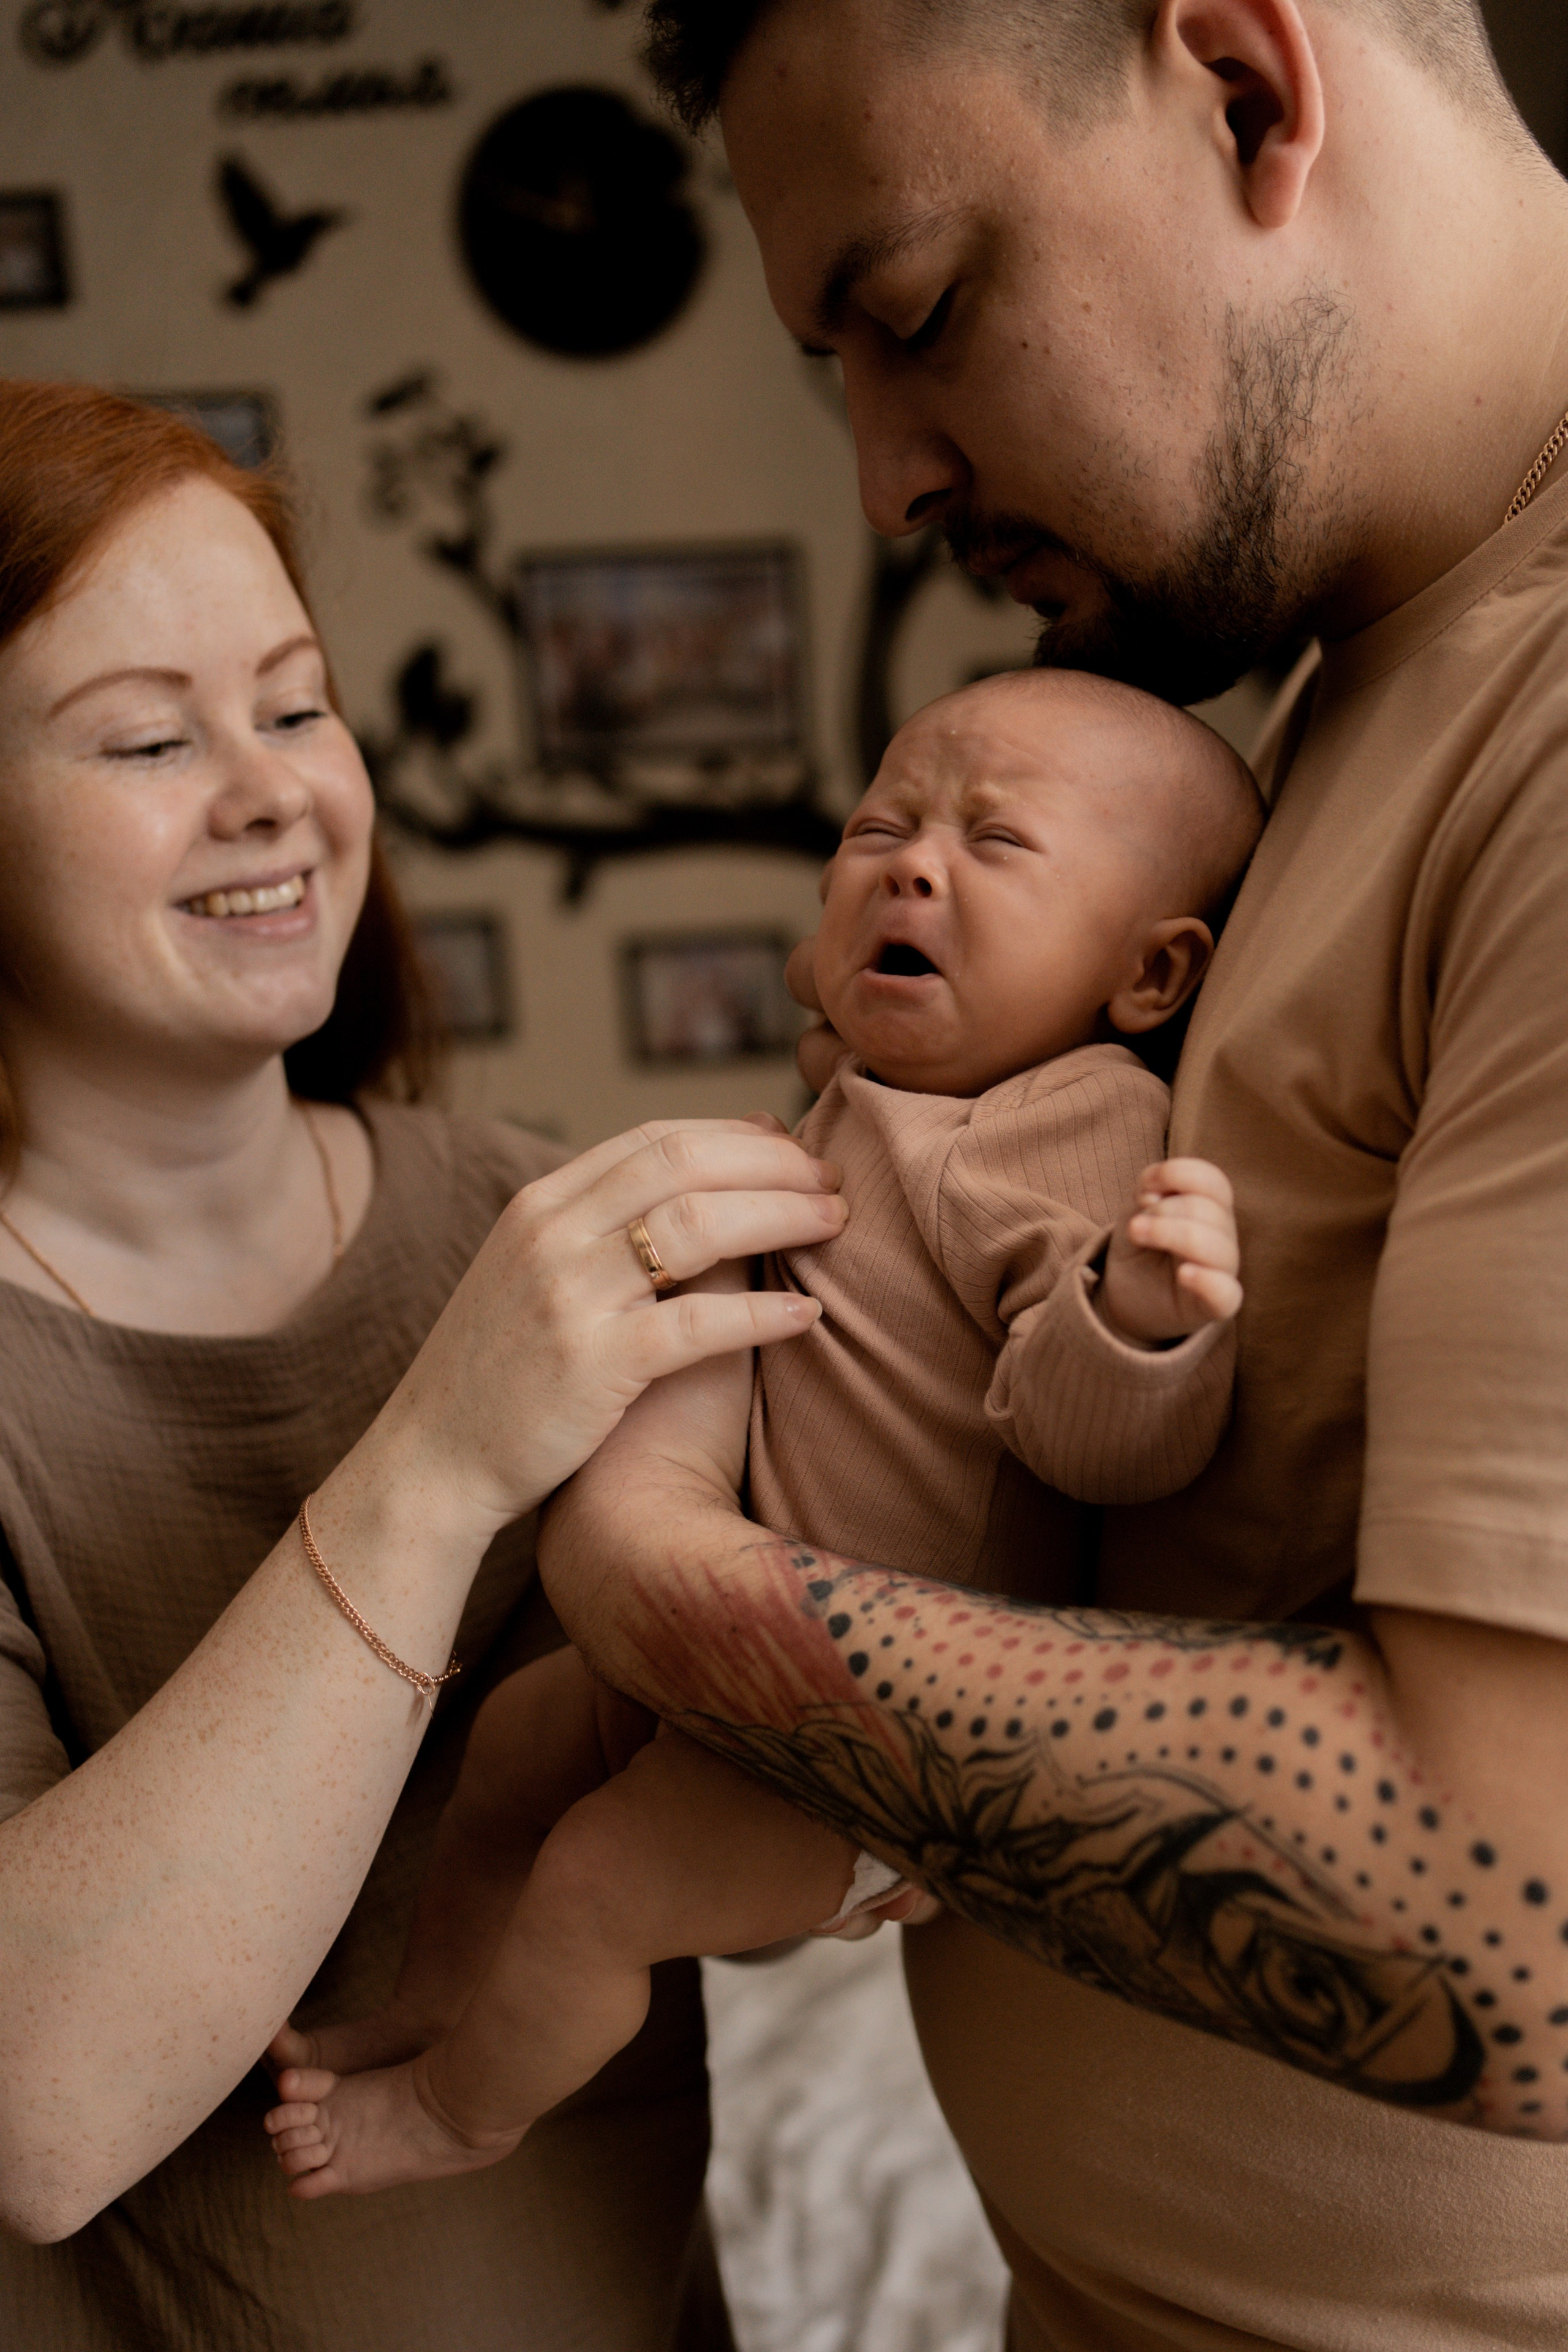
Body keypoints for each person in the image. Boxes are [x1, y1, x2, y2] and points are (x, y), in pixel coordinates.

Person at [530, 4, 1568, 2349]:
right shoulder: (1347, 664)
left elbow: (1524, 1921)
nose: (887, 476)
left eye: (916, 316)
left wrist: (666, 1583)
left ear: (1243, 83)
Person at [0, 380, 847, 2352]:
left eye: (296, 705)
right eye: (145, 737)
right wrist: (444, 1460)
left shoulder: (531, 1225)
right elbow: (39, 2110)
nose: (273, 786)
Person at [258, 665, 1259, 2199]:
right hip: (727, 1672)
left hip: (873, 1748)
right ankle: (436, 1997)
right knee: (520, 1739)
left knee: (599, 1883)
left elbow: (1099, 1453)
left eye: (995, 845)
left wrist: (1133, 1318)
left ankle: (467, 2110)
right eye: (880, 826)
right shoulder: (868, 1103)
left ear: (1146, 977)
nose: (911, 863)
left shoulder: (1069, 1122)